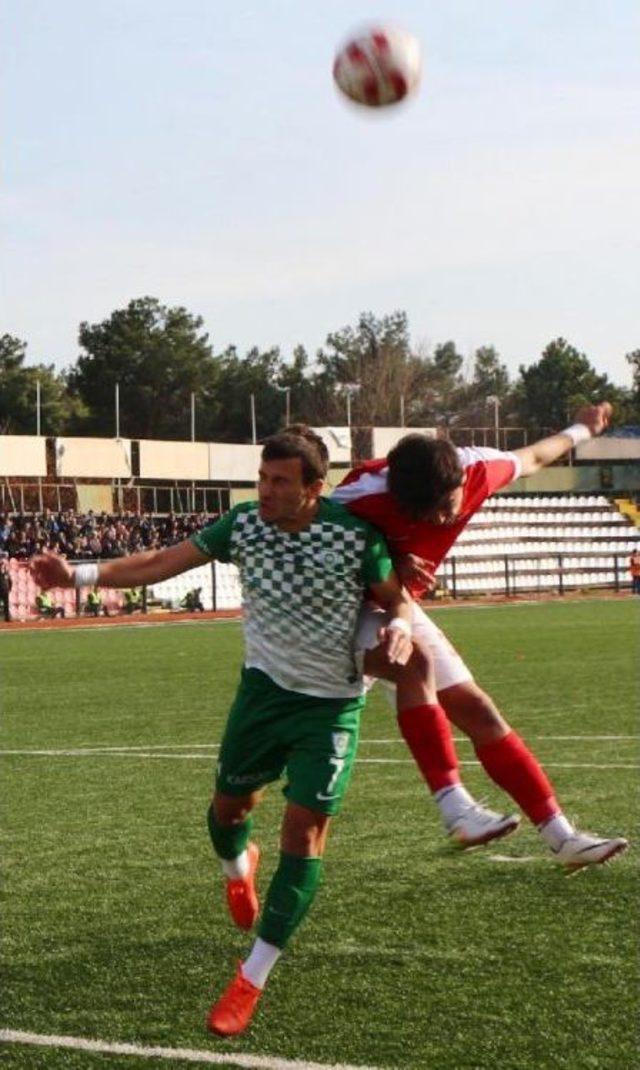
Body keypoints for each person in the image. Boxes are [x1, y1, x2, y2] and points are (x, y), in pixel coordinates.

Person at [30, 426, 419, 1037]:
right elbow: (161, 562)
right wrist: (74, 576)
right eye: (262, 479)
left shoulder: (355, 538)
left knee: (306, 832)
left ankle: (251, 977)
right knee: (226, 814)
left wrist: (400, 627)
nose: (266, 491)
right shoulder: (242, 526)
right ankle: (239, 869)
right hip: (261, 699)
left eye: (280, 482)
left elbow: (395, 599)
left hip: (331, 708)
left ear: (314, 489)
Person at [332, 402, 629, 869]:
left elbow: (534, 456)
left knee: (478, 708)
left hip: (396, 605)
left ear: (460, 484)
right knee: (407, 669)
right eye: (421, 512)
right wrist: (379, 560)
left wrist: (583, 429)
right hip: (338, 609)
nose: (436, 521)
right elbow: (303, 543)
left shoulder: (478, 469)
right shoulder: (356, 497)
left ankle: (562, 837)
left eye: (444, 507)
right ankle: (456, 809)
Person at [0, 554, 12, 622]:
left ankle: (7, 618)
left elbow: (10, 581)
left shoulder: (6, 573)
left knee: (6, 605)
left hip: (5, 590)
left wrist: (10, 588)